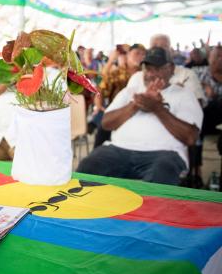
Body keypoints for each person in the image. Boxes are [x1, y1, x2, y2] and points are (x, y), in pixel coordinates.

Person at [77, 47, 202, 185]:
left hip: (164, 154)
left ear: (171, 68)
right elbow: (106, 123)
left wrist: (157, 108)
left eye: (157, 68)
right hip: (118, 149)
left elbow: (190, 137)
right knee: (88, 167)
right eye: (147, 68)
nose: (151, 74)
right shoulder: (130, 92)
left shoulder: (184, 95)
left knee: (162, 175)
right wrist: (136, 104)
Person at [91, 43, 145, 148]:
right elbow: (100, 91)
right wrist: (98, 105)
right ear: (128, 54)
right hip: (117, 111)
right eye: (137, 53)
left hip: (140, 111)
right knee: (104, 126)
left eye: (143, 54)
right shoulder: (116, 74)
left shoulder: (147, 74)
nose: (140, 57)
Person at [127, 34, 205, 104]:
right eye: (154, 47)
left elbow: (197, 105)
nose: (158, 50)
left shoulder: (187, 74)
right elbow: (125, 104)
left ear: (171, 50)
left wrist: (176, 92)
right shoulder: (137, 77)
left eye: (163, 46)